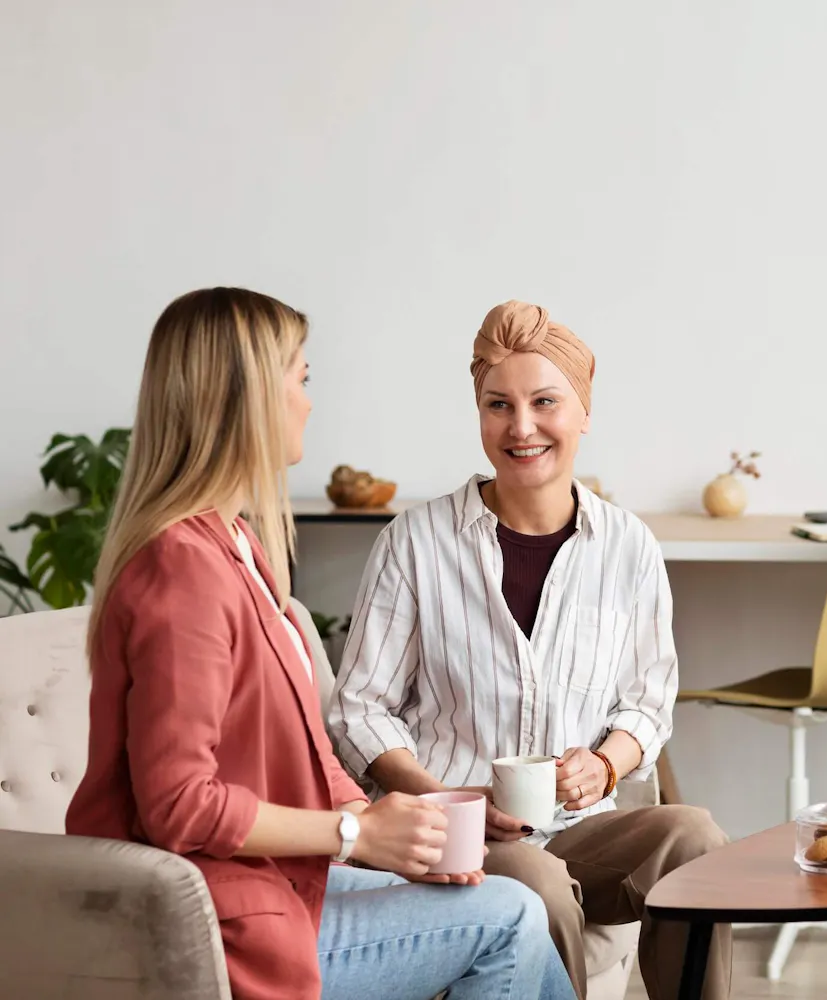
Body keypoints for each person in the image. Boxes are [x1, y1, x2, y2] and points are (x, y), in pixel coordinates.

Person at [64, 288, 575, 1000]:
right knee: (509, 915)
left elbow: (306, 750)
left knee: (498, 902)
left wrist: (403, 825)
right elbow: (179, 802)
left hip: (273, 888)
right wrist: (353, 838)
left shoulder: (236, 545)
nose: (309, 401)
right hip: (212, 924)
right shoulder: (181, 567)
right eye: (301, 379)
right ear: (245, 399)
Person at [327, 300, 732, 1000]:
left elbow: (647, 700)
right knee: (535, 878)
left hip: (579, 830)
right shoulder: (417, 542)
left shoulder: (627, 546)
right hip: (460, 840)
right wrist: (451, 801)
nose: (521, 427)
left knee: (693, 835)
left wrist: (604, 766)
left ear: (583, 411)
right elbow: (359, 710)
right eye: (497, 405)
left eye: (545, 402)